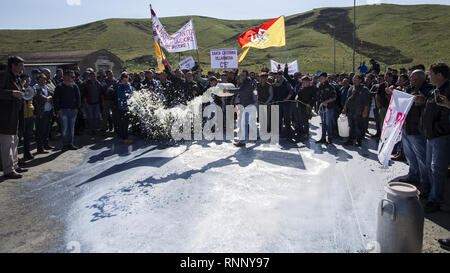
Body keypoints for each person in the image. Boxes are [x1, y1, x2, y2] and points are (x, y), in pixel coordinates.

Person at [419, 62, 450, 213]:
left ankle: (436, 199)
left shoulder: (448, 90)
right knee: (430, 167)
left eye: (430, 74)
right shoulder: (434, 91)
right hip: (431, 135)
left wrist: (448, 104)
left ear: (439, 75)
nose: (428, 76)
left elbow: (444, 112)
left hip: (441, 136)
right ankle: (431, 193)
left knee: (437, 169)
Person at [398, 70, 432, 189]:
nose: (410, 79)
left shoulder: (428, 90)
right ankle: (413, 175)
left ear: (419, 78)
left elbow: (429, 104)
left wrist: (421, 101)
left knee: (421, 157)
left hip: (418, 129)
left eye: (413, 77)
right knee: (410, 155)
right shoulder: (409, 89)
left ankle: (425, 182)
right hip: (407, 127)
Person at [0, 56, 27, 179]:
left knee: (15, 140)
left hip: (14, 114)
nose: (22, 68)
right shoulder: (3, 76)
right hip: (5, 116)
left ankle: (15, 165)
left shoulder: (15, 78)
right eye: (20, 65)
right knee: (7, 143)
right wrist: (12, 93)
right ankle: (8, 169)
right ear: (13, 65)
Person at [223, 70, 257, 147]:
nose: (241, 76)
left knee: (243, 123)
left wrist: (228, 90)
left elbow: (239, 90)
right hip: (248, 105)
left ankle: (242, 141)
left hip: (248, 105)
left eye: (243, 75)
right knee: (251, 122)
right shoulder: (244, 82)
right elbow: (240, 89)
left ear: (247, 76)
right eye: (241, 75)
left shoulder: (247, 83)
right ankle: (257, 134)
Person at [54, 70, 81, 151]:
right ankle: (65, 144)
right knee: (65, 129)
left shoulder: (75, 86)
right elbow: (56, 99)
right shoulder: (59, 87)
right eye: (70, 76)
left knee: (71, 128)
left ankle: (70, 144)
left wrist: (77, 108)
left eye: (73, 77)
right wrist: (58, 109)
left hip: (73, 111)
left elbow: (78, 98)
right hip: (63, 111)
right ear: (65, 76)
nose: (72, 78)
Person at [342, 75, 370, 147]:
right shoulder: (351, 88)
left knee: (359, 127)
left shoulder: (364, 89)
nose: (354, 81)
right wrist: (345, 108)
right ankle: (351, 140)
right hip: (351, 110)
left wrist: (365, 111)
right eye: (353, 80)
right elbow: (347, 99)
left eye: (356, 80)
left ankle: (358, 140)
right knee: (351, 126)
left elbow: (367, 102)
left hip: (359, 111)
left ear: (360, 80)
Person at [33, 73, 55, 154]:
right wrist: (48, 98)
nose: (43, 82)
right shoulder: (36, 88)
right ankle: (40, 148)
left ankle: (46, 145)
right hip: (41, 113)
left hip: (48, 111)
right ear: (38, 81)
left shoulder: (46, 87)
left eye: (44, 80)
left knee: (47, 130)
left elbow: (52, 96)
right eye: (41, 80)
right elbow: (41, 98)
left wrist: (49, 98)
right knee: (40, 131)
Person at [316, 72, 337, 144]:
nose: (320, 80)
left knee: (328, 123)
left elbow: (334, 97)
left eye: (322, 78)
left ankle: (330, 138)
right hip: (322, 107)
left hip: (329, 107)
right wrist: (317, 106)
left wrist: (326, 102)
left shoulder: (330, 86)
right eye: (320, 78)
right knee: (323, 122)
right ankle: (323, 137)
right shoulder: (320, 86)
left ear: (326, 78)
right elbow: (318, 97)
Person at [273, 71, 294, 136]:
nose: (277, 76)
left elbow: (291, 91)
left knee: (287, 117)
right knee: (279, 117)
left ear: (281, 75)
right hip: (278, 103)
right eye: (276, 75)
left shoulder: (286, 82)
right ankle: (279, 131)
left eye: (278, 75)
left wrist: (287, 98)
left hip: (286, 103)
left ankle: (288, 131)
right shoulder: (276, 82)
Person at [116, 73, 135, 144]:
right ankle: (124, 138)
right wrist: (127, 87)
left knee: (126, 123)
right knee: (124, 124)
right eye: (124, 80)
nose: (126, 81)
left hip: (128, 107)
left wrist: (129, 88)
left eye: (127, 80)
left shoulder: (129, 86)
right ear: (121, 80)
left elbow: (134, 92)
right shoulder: (120, 87)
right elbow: (125, 96)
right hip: (122, 108)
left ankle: (125, 137)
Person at [83, 70, 103, 135]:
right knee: (90, 117)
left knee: (96, 117)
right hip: (89, 103)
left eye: (94, 76)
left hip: (97, 103)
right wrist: (85, 102)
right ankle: (90, 129)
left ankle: (94, 129)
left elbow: (100, 93)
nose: (93, 77)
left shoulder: (98, 83)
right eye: (91, 76)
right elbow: (85, 94)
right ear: (89, 77)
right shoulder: (86, 83)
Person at [21, 74, 35, 160]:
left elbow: (34, 102)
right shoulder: (19, 89)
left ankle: (27, 152)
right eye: (26, 81)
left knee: (28, 135)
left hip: (30, 114)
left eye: (29, 81)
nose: (28, 83)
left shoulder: (31, 89)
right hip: (21, 116)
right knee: (19, 137)